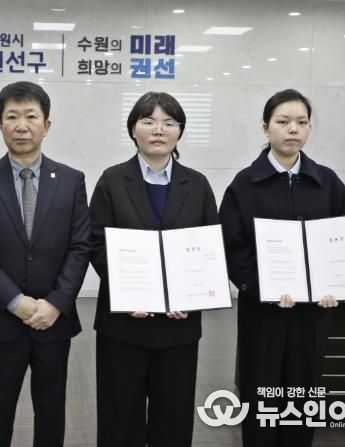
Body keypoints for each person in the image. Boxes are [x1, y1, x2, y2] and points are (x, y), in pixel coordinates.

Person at [219, 89, 345, 446]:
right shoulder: (244, 184)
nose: (293, 129)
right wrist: (260, 287)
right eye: (283, 121)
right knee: (261, 389)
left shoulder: (328, 182)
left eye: (301, 122)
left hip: (313, 313)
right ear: (266, 128)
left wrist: (337, 286)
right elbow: (232, 246)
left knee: (302, 391)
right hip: (263, 312)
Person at [0, 81, 90, 447]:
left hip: (53, 320)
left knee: (51, 410)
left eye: (31, 117)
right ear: (0, 124)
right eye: (12, 117)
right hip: (0, 320)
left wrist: (56, 303)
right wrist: (15, 301)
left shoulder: (71, 181)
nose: (21, 126)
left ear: (46, 125)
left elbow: (80, 247)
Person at [89, 91, 218, 446]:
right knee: (119, 418)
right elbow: (96, 243)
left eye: (169, 123)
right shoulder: (112, 180)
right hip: (124, 323)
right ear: (133, 129)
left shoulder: (197, 184)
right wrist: (127, 291)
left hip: (179, 324)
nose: (159, 130)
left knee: (173, 419)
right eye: (148, 121)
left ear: (180, 131)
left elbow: (210, 246)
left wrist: (192, 295)